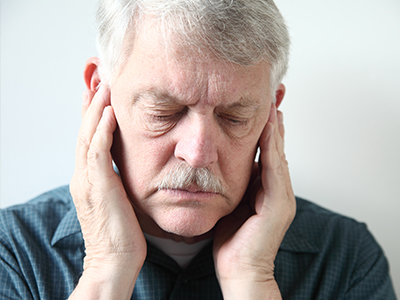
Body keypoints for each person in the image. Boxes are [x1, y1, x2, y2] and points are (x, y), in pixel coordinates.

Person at [0, 0, 396, 299]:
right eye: (164, 110)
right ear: (99, 93)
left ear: (271, 112)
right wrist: (106, 271)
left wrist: (252, 278)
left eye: (234, 116)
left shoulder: (345, 257)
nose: (198, 152)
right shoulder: (14, 251)